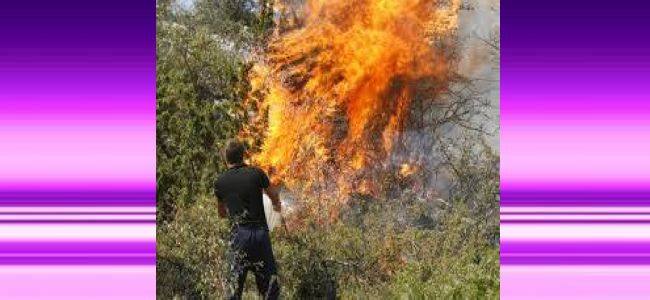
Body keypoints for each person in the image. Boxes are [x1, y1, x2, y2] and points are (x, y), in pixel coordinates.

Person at [214, 139, 282, 300]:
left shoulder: (220, 182)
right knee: (270, 290)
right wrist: (276, 205)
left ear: (226, 158)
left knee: (233, 290)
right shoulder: (256, 173)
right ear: (243, 155)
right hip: (259, 235)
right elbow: (274, 195)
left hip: (239, 237)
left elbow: (222, 213)